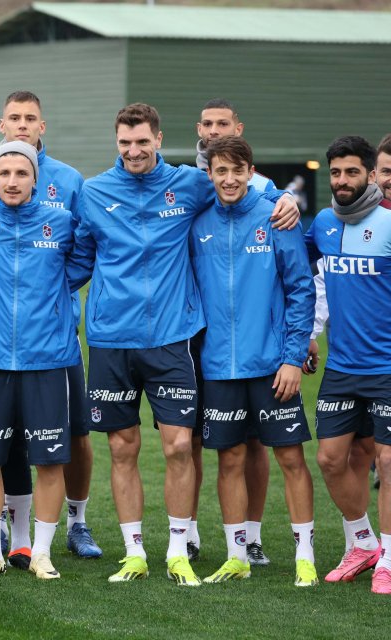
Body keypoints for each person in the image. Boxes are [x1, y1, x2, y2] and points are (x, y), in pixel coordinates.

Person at [66, 103, 298, 586]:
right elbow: (78, 258)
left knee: (177, 447)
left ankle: (177, 551)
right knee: (123, 447)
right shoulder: (92, 192)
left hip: (174, 338)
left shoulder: (188, 184)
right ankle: (134, 553)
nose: (134, 151)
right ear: (117, 143)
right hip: (111, 338)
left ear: (159, 139)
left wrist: (286, 199)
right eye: (126, 143)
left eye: (143, 142)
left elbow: (240, 183)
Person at [190, 136, 317, 587]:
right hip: (219, 367)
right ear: (209, 175)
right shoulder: (197, 222)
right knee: (230, 459)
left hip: (271, 365)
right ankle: (237, 555)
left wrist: (292, 357)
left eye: (236, 171)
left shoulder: (275, 217)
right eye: (220, 172)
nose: (228, 179)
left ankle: (305, 555)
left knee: (290, 458)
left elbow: (301, 290)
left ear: (250, 172)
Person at [0, 92, 101, 568]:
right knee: (3, 439)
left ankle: (77, 521)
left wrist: (48, 287)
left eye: (31, 118)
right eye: (14, 118)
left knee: (74, 434)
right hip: (0, 340)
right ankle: (15, 535)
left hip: (57, 337)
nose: (22, 125)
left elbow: (87, 241)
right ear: (2, 125)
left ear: (42, 126)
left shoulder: (68, 180)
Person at [0, 141, 76, 581]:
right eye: (4, 173)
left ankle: (41, 553)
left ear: (35, 180)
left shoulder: (62, 223)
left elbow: (78, 266)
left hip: (47, 359)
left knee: (49, 460)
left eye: (21, 174)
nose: (12, 181)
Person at [303, 136, 391, 594]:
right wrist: (309, 334)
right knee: (331, 458)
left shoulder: (389, 224)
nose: (341, 181)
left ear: (371, 175)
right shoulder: (322, 224)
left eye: (352, 172)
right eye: (335, 173)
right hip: (343, 367)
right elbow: (309, 277)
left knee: (388, 460)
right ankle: (363, 544)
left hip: (388, 368)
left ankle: (390, 561)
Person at [193, 98, 276, 564]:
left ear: (238, 128)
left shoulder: (263, 189)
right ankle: (192, 533)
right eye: (207, 125)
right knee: (193, 440)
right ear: (197, 131)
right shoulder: (189, 183)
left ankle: (253, 535)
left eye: (223, 124)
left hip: (252, 344)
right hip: (201, 344)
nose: (214, 131)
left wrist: (284, 201)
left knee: (253, 443)